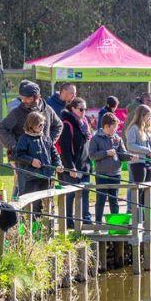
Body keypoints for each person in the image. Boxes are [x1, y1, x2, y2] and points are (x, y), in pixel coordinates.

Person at [0, 80, 63, 197]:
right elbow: (1, 129)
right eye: (22, 98)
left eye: (27, 98)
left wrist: (49, 142)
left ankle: (44, 213)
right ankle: (19, 213)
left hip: (44, 160)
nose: (24, 101)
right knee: (23, 190)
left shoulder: (48, 110)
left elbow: (58, 125)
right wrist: (14, 146)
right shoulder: (17, 112)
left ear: (37, 97)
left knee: (46, 191)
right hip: (24, 159)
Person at [13, 112, 64, 214]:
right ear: (31, 125)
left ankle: (48, 228)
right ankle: (34, 228)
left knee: (47, 205)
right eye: (40, 125)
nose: (42, 127)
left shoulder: (46, 138)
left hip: (47, 177)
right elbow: (18, 156)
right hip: (31, 178)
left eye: (43, 124)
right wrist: (31, 161)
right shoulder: (24, 139)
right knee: (33, 207)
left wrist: (58, 164)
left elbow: (54, 154)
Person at [89, 113, 132, 223]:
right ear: (106, 126)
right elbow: (92, 155)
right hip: (102, 174)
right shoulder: (96, 139)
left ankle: (115, 224)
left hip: (116, 174)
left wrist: (130, 156)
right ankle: (98, 224)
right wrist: (106, 153)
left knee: (114, 201)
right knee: (101, 200)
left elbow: (122, 154)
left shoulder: (117, 138)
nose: (116, 130)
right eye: (114, 128)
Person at [59, 97, 93, 227]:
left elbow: (87, 144)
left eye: (85, 109)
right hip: (72, 166)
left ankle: (86, 217)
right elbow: (65, 149)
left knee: (85, 192)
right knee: (71, 194)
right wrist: (70, 167)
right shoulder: (67, 124)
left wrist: (89, 164)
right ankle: (69, 221)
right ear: (72, 109)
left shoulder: (84, 122)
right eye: (81, 109)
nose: (84, 112)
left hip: (85, 165)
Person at [125, 105, 151, 204]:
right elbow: (130, 146)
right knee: (139, 191)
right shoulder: (133, 128)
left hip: (149, 163)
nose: (150, 118)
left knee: (147, 191)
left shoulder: (148, 129)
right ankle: (137, 215)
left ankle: (145, 216)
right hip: (139, 163)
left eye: (150, 116)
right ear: (141, 116)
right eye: (148, 116)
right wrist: (147, 151)